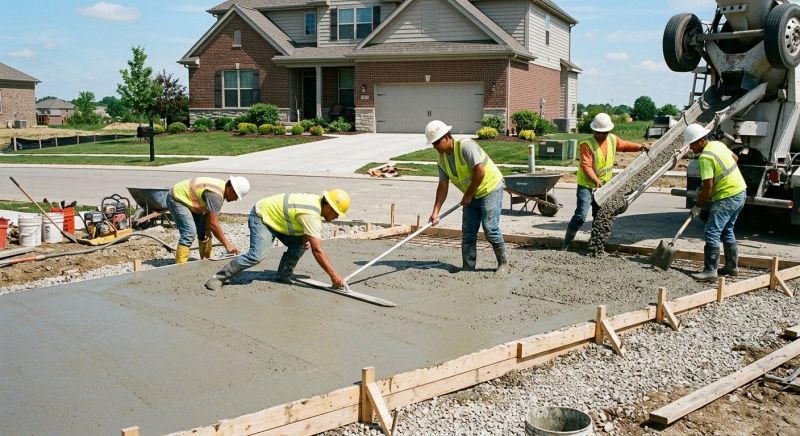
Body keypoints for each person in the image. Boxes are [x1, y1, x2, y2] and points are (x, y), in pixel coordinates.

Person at [204, 189, 351, 291]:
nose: (337, 217)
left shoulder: (316, 203)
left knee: (302, 244)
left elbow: (298, 218)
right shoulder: (311, 214)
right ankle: (219, 277)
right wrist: (334, 276)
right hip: (263, 217)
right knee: (256, 256)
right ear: (329, 207)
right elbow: (317, 250)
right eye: (337, 213)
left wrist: (304, 236)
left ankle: (283, 274)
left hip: (279, 221)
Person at [425, 120, 510, 274]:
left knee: (490, 228)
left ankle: (504, 264)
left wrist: (468, 195)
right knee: (468, 231)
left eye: (436, 143)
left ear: (446, 137)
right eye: (433, 144)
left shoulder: (466, 146)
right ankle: (468, 266)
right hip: (472, 194)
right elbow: (443, 186)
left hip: (490, 188)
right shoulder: (442, 160)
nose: (434, 147)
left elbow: (480, 172)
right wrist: (435, 211)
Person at [562, 113, 649, 250]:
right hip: (587, 186)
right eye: (599, 133)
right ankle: (566, 245)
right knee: (580, 216)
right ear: (594, 130)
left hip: (604, 187)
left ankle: (594, 246)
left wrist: (640, 147)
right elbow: (586, 166)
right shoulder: (587, 145)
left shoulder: (612, 139)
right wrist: (595, 180)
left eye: (605, 132)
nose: (602, 135)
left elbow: (625, 146)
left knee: (599, 217)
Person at [684, 123, 747, 280]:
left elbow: (708, 188)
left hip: (727, 196)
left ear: (700, 141)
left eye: (691, 144)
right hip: (740, 191)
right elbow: (735, 158)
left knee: (711, 231)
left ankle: (710, 270)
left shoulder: (705, 158)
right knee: (727, 230)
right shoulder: (717, 145)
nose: (691, 148)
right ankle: (732, 267)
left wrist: (698, 206)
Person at [167, 176, 250, 263]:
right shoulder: (216, 196)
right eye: (236, 196)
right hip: (177, 198)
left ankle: (207, 262)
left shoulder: (221, 189)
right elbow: (213, 224)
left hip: (192, 200)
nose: (235, 199)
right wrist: (227, 245)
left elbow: (209, 214)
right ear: (231, 189)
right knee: (189, 233)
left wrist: (207, 230)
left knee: (204, 233)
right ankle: (179, 268)